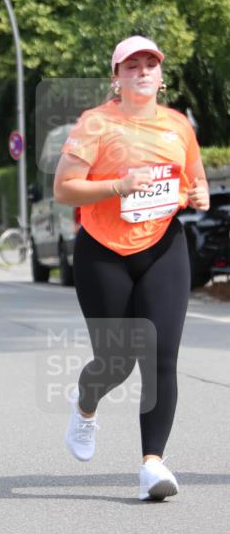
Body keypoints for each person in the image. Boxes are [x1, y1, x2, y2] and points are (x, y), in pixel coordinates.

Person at [53, 35, 209, 501]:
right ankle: (85, 407)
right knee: (116, 362)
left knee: (161, 357)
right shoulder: (95, 123)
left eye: (150, 64)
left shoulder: (178, 126)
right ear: (116, 78)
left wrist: (198, 194)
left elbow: (194, 180)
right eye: (132, 65)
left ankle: (152, 465)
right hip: (103, 251)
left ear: (161, 78)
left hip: (163, 246)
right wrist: (119, 185)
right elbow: (64, 189)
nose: (142, 71)